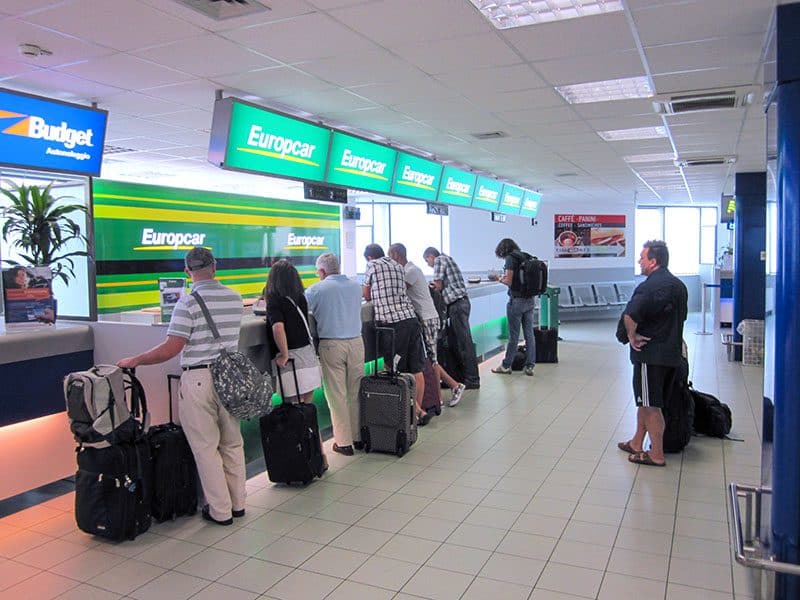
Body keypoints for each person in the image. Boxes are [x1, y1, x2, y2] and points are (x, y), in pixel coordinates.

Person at [117, 247, 245, 526]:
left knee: (206, 447)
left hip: (199, 379)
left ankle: (220, 511)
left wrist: (136, 359)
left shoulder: (187, 303)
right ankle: (238, 504)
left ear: (187, 272)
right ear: (215, 266)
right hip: (230, 380)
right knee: (232, 443)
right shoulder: (235, 298)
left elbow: (172, 348)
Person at [617, 240, 688, 468]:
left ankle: (656, 453)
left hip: (650, 356)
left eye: (642, 257)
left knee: (650, 406)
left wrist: (632, 336)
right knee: (646, 401)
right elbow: (682, 318)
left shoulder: (649, 286)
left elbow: (630, 315)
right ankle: (637, 442)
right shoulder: (679, 286)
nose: (640, 261)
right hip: (672, 354)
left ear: (653, 261)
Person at [388, 243, 465, 407]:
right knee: (431, 359)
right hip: (424, 318)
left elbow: (397, 291)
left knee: (432, 360)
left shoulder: (411, 271)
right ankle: (453, 387)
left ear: (396, 254)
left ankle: (440, 398)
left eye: (390, 256)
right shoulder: (409, 270)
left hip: (427, 318)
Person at [362, 244, 430, 426]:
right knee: (416, 368)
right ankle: (415, 414)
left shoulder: (372, 265)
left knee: (392, 368)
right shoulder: (398, 266)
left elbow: (366, 295)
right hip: (411, 319)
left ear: (369, 257)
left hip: (393, 325)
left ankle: (415, 411)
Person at [306, 253, 364, 456]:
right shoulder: (355, 286)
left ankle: (343, 442)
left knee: (336, 395)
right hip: (357, 343)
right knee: (355, 392)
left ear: (322, 272)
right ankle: (358, 437)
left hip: (332, 345)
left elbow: (302, 309)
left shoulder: (317, 289)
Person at [423, 247, 480, 389]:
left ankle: (472, 379)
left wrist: (428, 287)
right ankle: (459, 377)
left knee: (464, 343)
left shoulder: (439, 260)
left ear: (431, 256)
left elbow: (438, 285)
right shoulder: (448, 259)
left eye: (427, 260)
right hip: (459, 304)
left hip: (457, 305)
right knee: (457, 342)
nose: (428, 264)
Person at [491, 238, 536, 376]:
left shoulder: (511, 259)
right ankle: (530, 365)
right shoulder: (525, 256)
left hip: (517, 302)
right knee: (529, 333)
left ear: (503, 250)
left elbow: (509, 281)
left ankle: (506, 366)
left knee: (514, 335)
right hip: (530, 299)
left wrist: (498, 278)